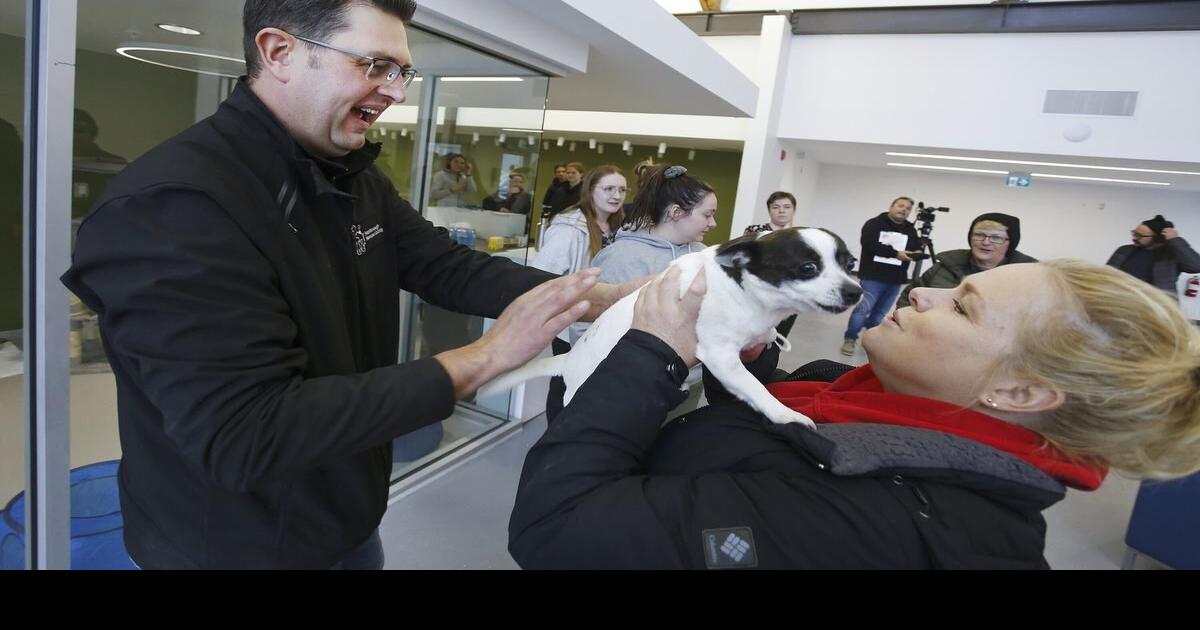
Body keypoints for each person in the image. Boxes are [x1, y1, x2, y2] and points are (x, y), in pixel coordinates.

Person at [59, 0, 633, 570]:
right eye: (374, 65)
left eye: (401, 72)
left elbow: (446, 266)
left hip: (346, 520)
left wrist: (609, 300)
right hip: (236, 546)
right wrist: (486, 357)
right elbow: (246, 432)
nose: (396, 91)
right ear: (279, 52)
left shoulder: (350, 173)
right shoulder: (172, 207)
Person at [509, 259, 1200, 569]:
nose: (924, 294)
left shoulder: (875, 526)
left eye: (962, 305)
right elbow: (746, 446)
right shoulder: (841, 392)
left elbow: (555, 529)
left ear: (1018, 395)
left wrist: (651, 355)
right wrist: (737, 364)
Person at [530, 164, 627, 421]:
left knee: (588, 385)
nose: (616, 195)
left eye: (621, 190)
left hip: (601, 320)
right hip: (572, 322)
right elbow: (541, 274)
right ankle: (555, 441)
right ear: (590, 190)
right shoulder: (570, 228)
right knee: (565, 383)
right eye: (608, 189)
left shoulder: (620, 227)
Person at [591, 164, 716, 286]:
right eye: (707, 215)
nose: (713, 223)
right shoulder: (618, 257)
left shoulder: (705, 255)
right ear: (676, 212)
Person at [896, 212, 1037, 308]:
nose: (986, 242)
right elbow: (909, 297)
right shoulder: (944, 267)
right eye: (979, 235)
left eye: (996, 238)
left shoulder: (1028, 278)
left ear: (1010, 243)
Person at [840, 196, 919, 356]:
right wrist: (895, 253)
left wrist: (917, 252)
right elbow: (869, 244)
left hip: (895, 279)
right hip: (873, 277)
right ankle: (850, 339)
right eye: (900, 205)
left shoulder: (911, 230)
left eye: (908, 208)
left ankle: (871, 339)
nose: (903, 209)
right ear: (892, 206)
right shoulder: (874, 224)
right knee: (862, 310)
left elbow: (913, 248)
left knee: (879, 314)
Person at [1107, 214, 1200, 298]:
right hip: (1122, 302)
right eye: (1134, 233)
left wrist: (1175, 240)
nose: (1134, 238)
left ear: (1157, 238)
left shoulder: (1172, 254)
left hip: (1158, 307)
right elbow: (1107, 274)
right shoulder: (1124, 250)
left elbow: (1196, 266)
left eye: (1140, 235)